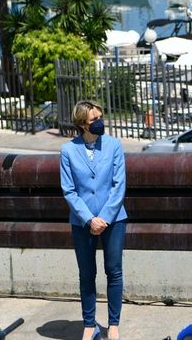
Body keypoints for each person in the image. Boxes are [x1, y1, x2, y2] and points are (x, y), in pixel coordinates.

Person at [60, 100, 128, 340]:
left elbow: (119, 185)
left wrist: (105, 218)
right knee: (86, 274)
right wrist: (90, 220)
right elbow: (69, 191)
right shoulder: (68, 151)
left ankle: (114, 324)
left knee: (114, 271)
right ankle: (89, 323)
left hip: (114, 219)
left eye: (101, 117)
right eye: (94, 120)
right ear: (81, 124)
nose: (99, 122)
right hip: (82, 222)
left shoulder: (114, 145)